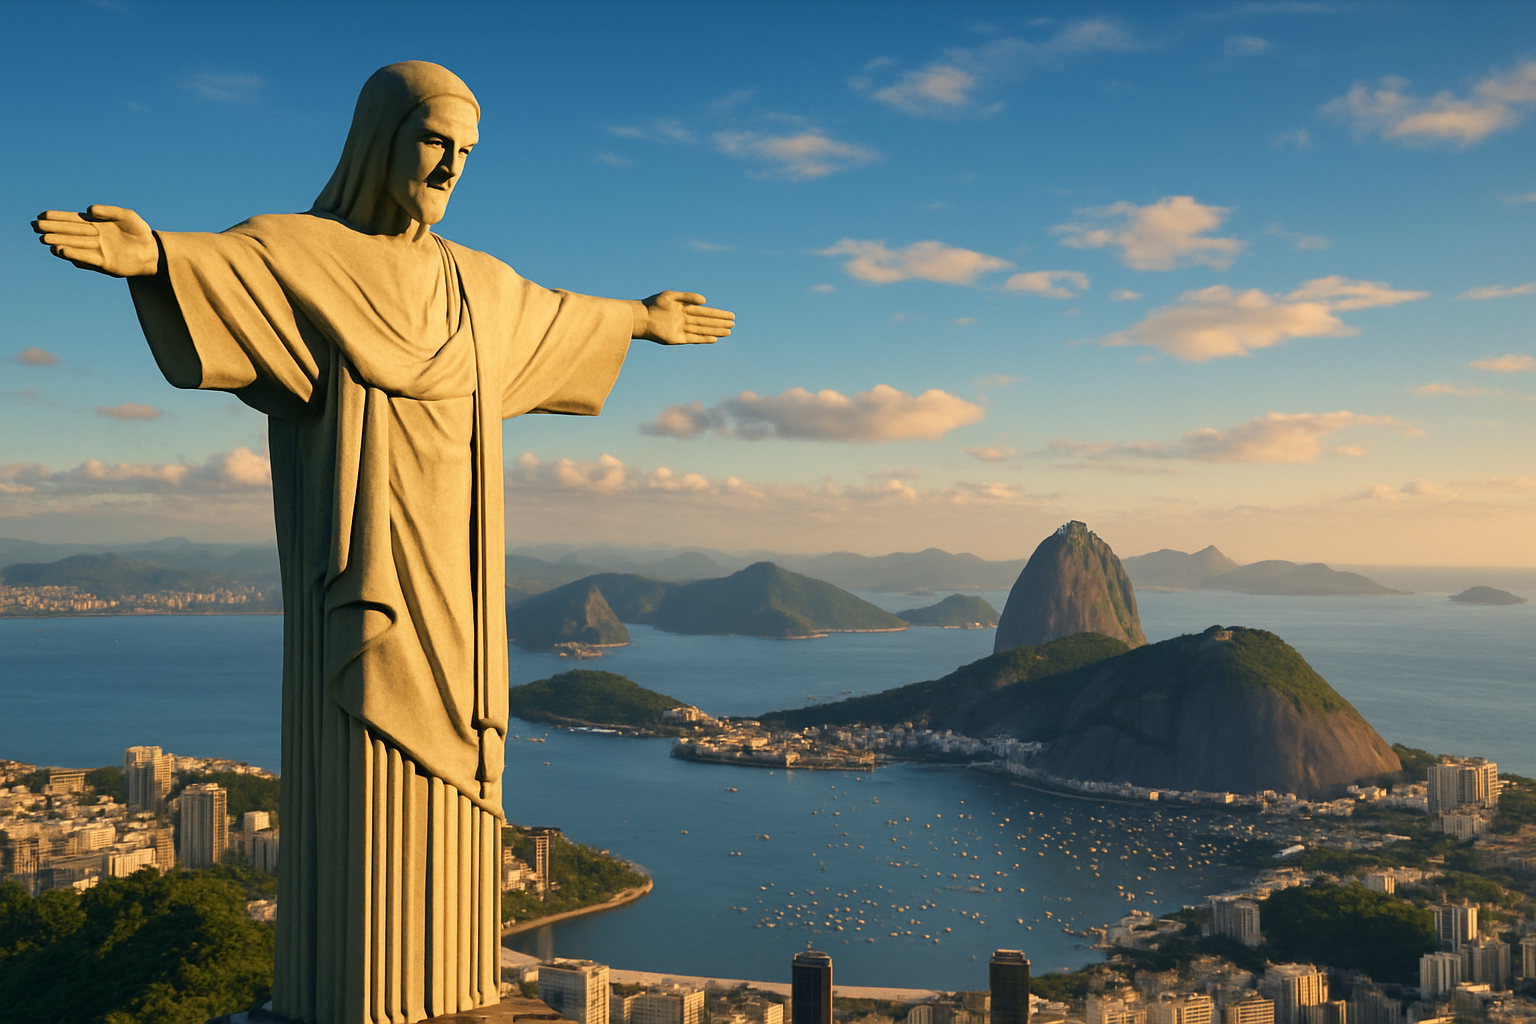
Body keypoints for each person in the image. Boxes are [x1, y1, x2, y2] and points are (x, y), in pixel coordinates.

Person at [32, 61, 732, 1024]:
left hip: (462, 580)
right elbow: (226, 269)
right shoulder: (306, 255)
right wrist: (154, 253)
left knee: (457, 765)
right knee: (362, 770)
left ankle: (453, 988)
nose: (451, 165)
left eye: (466, 152)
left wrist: (644, 320)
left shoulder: (480, 288)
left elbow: (563, 317)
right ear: (382, 139)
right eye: (435, 140)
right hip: (354, 570)